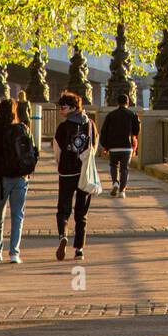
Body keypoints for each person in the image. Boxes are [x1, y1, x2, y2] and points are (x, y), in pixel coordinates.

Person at [0, 98, 37, 264]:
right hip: (20, 177)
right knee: (17, 214)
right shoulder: (22, 129)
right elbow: (33, 151)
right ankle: (14, 253)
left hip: (1, 178)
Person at [53, 91, 98, 261]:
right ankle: (79, 249)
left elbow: (57, 150)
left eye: (62, 107)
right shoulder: (91, 124)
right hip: (84, 172)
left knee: (63, 208)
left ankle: (62, 235)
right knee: (81, 212)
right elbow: (94, 147)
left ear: (72, 108)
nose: (60, 110)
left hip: (66, 172)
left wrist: (61, 163)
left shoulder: (63, 127)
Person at [100, 95, 140, 198]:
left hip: (113, 146)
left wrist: (105, 145)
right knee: (124, 169)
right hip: (127, 147)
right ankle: (122, 191)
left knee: (113, 165)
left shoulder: (111, 115)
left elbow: (104, 131)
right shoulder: (132, 114)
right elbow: (136, 130)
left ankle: (115, 183)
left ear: (117, 102)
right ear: (128, 102)